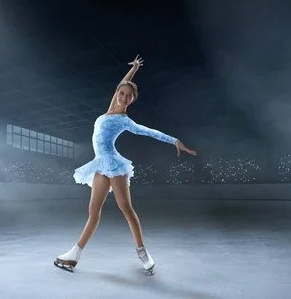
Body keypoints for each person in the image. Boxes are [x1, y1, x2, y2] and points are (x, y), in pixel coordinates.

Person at [54, 55, 197, 274]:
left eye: (128, 96)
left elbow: (150, 132)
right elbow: (122, 85)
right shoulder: (110, 109)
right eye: (121, 93)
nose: (123, 97)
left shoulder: (124, 120)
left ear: (132, 100)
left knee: (127, 210)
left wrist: (174, 141)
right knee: (93, 212)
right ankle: (74, 255)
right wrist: (135, 69)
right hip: (100, 166)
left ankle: (143, 253)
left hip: (114, 165)